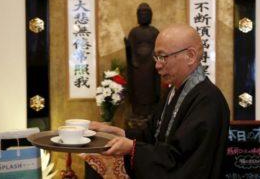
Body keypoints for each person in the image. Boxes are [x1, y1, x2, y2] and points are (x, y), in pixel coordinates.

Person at [90, 24, 230, 179]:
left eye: (163, 57)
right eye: (156, 57)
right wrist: (121, 133)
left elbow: (183, 163)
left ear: (190, 56)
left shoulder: (208, 101)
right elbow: (153, 136)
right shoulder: (174, 91)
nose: (157, 65)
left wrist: (132, 148)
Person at [124, 3, 160, 120]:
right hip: (137, 66)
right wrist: (128, 47)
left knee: (150, 88)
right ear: (137, 16)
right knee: (138, 88)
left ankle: (150, 111)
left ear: (151, 16)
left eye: (146, 14)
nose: (144, 16)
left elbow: (158, 48)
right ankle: (137, 111)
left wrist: (154, 60)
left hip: (151, 64)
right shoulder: (134, 32)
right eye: (141, 14)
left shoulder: (154, 32)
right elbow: (131, 49)